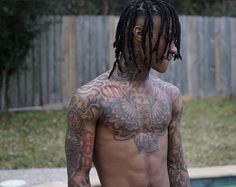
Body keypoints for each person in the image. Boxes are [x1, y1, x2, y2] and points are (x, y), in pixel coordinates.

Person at [65, 0, 190, 186]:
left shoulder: (170, 95)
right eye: (168, 39)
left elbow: (177, 165)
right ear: (139, 33)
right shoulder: (90, 99)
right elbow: (78, 177)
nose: (174, 49)